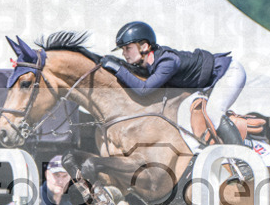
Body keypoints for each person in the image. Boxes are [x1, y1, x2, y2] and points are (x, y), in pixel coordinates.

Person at [98, 21, 247, 146]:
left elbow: (143, 89)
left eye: (127, 48)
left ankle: (242, 159)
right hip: (209, 82)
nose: (124, 53)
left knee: (214, 112)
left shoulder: (167, 62)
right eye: (123, 50)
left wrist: (117, 68)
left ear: (144, 46)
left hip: (229, 72)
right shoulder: (150, 64)